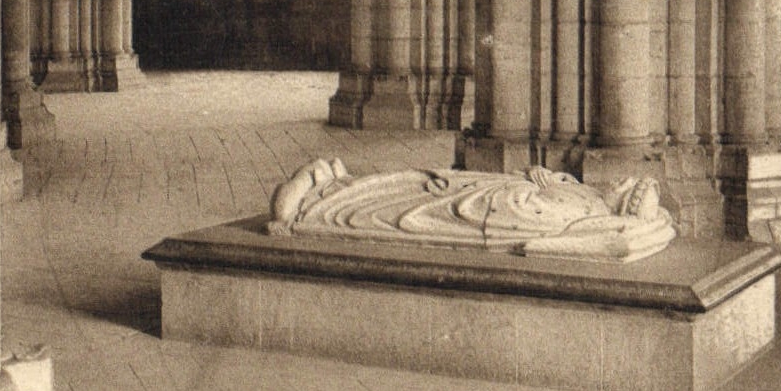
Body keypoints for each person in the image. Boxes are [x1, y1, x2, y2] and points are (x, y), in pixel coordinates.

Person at [268, 157, 675, 261]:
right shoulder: (584, 195)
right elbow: (533, 187)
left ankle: (315, 203)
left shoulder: (585, 210)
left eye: (625, 186)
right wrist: (537, 176)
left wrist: (532, 184)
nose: (620, 180)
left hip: (467, 207)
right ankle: (335, 188)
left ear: (624, 202)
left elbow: (519, 213)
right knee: (412, 183)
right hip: (473, 190)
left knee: (404, 203)